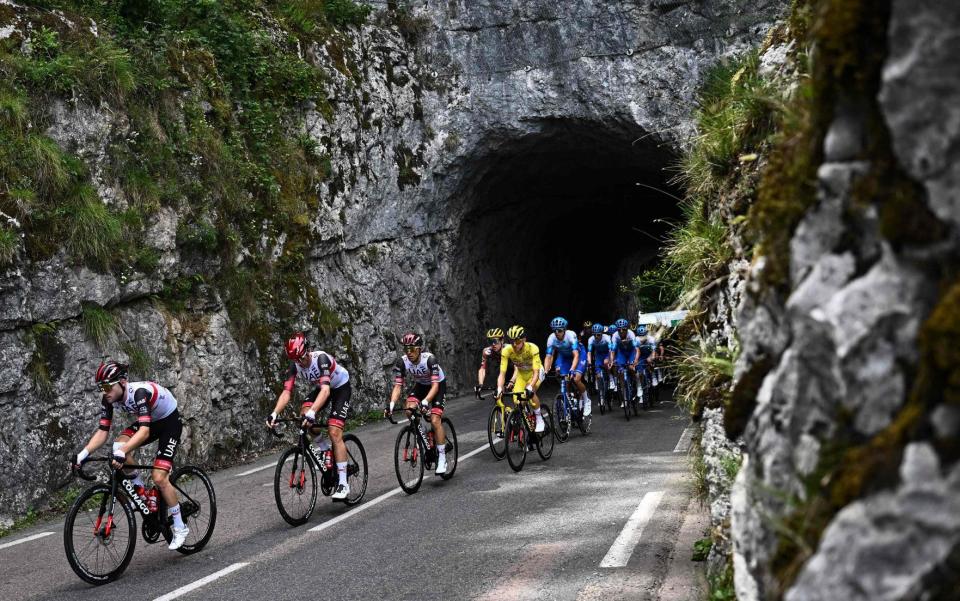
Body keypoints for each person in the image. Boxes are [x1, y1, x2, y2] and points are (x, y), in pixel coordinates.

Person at [72, 361, 190, 550]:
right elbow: (103, 432)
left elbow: (143, 432)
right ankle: (141, 493)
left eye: (108, 386)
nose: (105, 391)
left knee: (159, 477)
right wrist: (83, 454)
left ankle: (180, 525)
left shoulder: (139, 393)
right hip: (151, 421)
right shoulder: (109, 399)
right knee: (119, 444)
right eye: (101, 387)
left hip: (169, 422)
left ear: (122, 382)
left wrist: (122, 452)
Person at [267, 332, 353, 500]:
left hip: (340, 388)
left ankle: (343, 483)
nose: (300, 362)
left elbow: (326, 390)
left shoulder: (320, 359)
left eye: (301, 357)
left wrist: (313, 412)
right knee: (303, 417)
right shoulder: (295, 365)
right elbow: (286, 393)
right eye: (296, 359)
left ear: (307, 349)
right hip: (322, 388)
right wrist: (274, 413)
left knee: (334, 432)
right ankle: (324, 449)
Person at [386, 332, 449, 475]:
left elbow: (435, 386)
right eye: (406, 349)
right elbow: (397, 386)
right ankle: (424, 436)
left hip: (437, 385)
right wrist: (391, 405)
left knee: (435, 419)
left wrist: (426, 402)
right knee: (409, 410)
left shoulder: (430, 360)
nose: (409, 353)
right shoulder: (402, 362)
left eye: (412, 349)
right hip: (421, 385)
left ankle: (442, 458)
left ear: (420, 348)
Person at [496, 325, 546, 432]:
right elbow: (502, 373)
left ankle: (539, 418)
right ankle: (527, 424)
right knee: (518, 402)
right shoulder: (506, 351)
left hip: (535, 373)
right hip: (522, 375)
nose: (514, 344)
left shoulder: (533, 348)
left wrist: (530, 386)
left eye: (517, 341)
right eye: (511, 341)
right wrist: (499, 388)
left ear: (524, 339)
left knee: (530, 393)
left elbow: (536, 373)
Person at [542, 316, 591, 416]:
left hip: (578, 354)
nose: (557, 333)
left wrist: (572, 369)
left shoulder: (570, 335)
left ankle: (586, 400)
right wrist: (546, 371)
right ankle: (567, 401)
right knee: (564, 380)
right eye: (554, 330)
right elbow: (548, 356)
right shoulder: (551, 338)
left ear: (564, 330)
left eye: (559, 330)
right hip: (564, 356)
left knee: (576, 378)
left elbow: (576, 355)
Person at [609, 318, 640, 407]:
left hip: (631, 352)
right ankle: (625, 398)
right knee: (621, 373)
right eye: (619, 330)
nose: (621, 331)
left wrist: (636, 360)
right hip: (621, 353)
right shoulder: (615, 336)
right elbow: (613, 351)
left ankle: (638, 385)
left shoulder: (631, 334)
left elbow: (637, 350)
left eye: (624, 329)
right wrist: (611, 361)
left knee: (631, 367)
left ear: (627, 329)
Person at [475, 328, 514, 398]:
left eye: (495, 341)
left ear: (502, 340)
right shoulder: (487, 351)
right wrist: (480, 384)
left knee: (517, 394)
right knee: (497, 394)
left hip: (515, 368)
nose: (493, 344)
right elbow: (482, 369)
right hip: (502, 369)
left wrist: (512, 380)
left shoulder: (510, 349)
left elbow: (517, 367)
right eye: (490, 341)